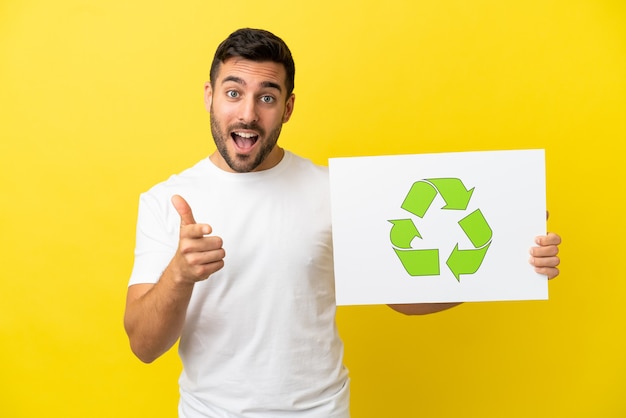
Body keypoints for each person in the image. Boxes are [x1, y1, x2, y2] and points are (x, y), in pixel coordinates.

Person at [124, 28, 562, 417]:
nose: (248, 115)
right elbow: (144, 346)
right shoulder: (167, 201)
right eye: (234, 92)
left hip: (321, 410)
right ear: (209, 95)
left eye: (268, 97)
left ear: (288, 106)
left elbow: (403, 296)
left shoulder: (334, 191)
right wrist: (180, 275)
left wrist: (506, 260)